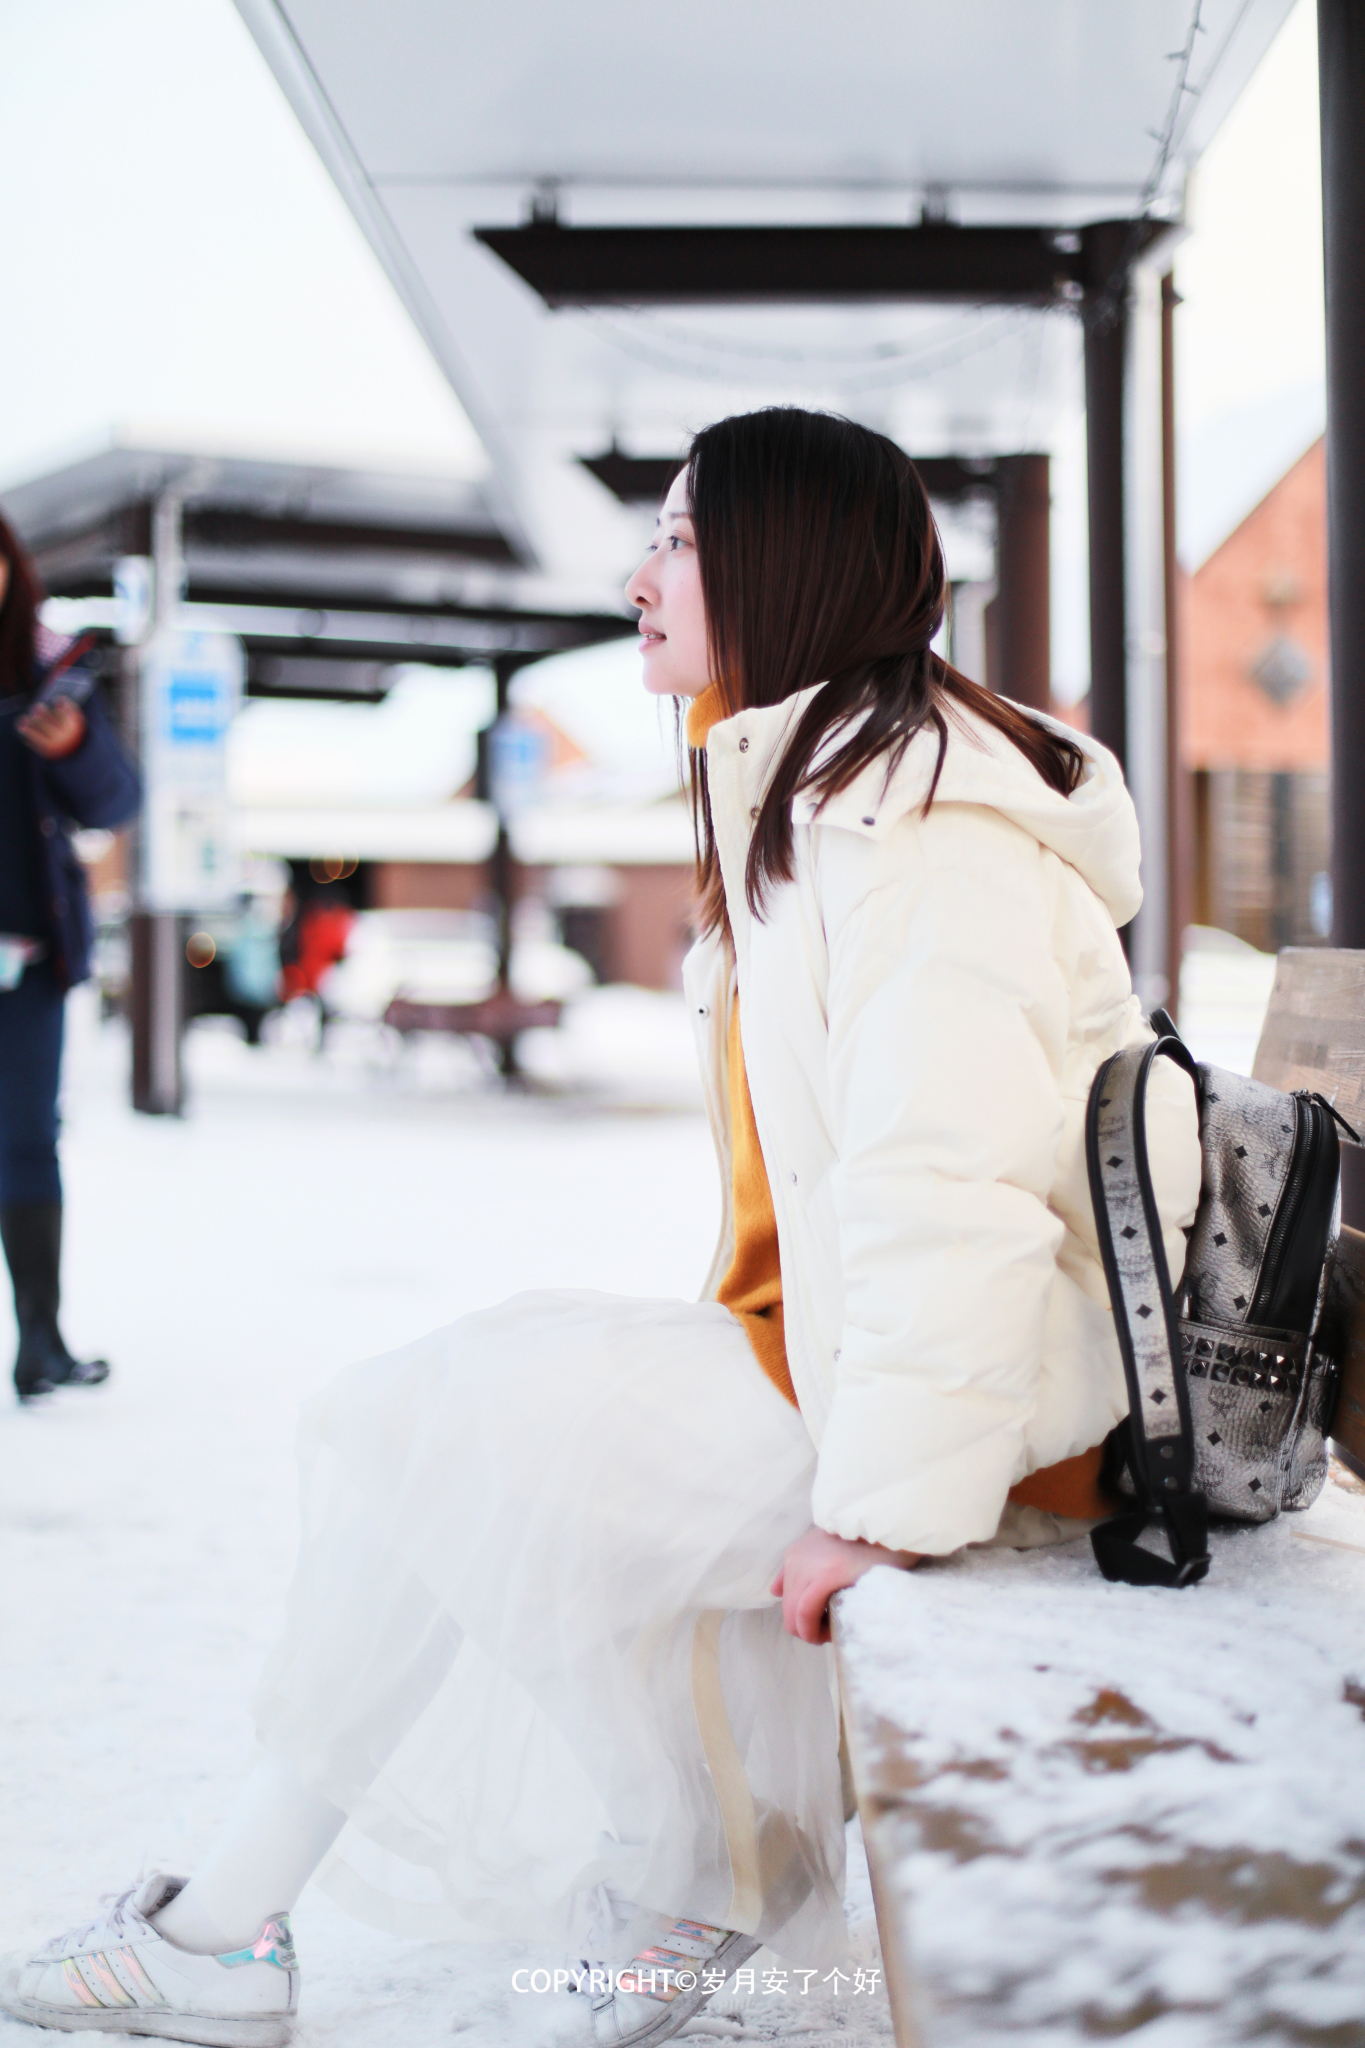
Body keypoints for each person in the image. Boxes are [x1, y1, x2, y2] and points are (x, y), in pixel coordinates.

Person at [2, 410, 1200, 2047]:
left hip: (993, 1420)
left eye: (681, 540)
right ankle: (683, 1874)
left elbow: (959, 1192)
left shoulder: (918, 832)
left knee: (433, 1433)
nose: (640, 576)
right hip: (862, 1375)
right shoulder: (821, 793)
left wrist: (893, 1509)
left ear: (776, 561)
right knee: (467, 1427)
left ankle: (233, 1932)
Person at [0, 513, 140, 1402]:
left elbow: (118, 801)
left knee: (25, 1144)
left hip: (25, 956)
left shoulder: (55, 676)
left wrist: (77, 748)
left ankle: (41, 1341)